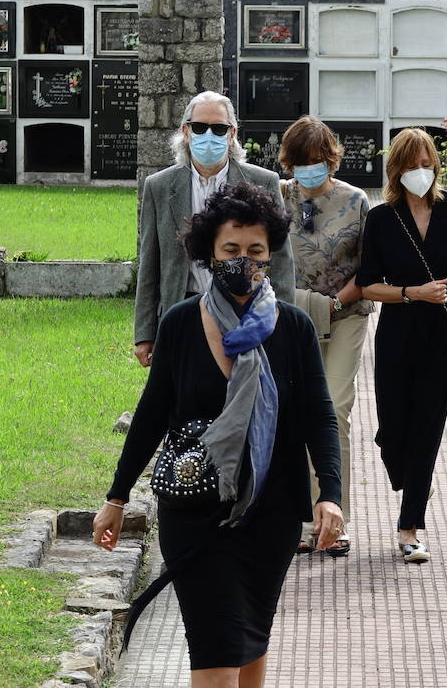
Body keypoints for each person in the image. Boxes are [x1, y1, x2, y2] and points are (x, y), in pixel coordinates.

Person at [93, 182, 343, 688]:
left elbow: (320, 415)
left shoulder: (292, 327)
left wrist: (330, 496)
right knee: (216, 650)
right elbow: (152, 414)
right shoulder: (181, 324)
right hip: (195, 512)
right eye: (231, 250)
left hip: (270, 516)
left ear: (271, 254)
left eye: (255, 251)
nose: (243, 261)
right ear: (209, 251)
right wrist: (117, 498)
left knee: (249, 642)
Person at [357, 127, 447, 563]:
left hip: (442, 330)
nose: (421, 172)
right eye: (411, 165)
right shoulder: (382, 217)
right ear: (395, 171)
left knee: (428, 430)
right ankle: (402, 464)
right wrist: (411, 292)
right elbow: (368, 285)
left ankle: (410, 528)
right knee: (393, 429)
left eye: (427, 163)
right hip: (398, 328)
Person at [133, 90, 295, 367]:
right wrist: (144, 333)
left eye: (219, 128)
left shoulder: (263, 182)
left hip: (246, 310)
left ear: (232, 134)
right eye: (199, 127)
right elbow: (150, 261)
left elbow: (280, 261)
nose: (209, 135)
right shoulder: (158, 186)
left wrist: (282, 323)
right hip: (182, 309)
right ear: (186, 131)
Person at [276, 115, 373, 557]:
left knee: (334, 409)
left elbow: (370, 268)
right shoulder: (276, 196)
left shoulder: (356, 201)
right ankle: (298, 516)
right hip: (292, 319)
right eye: (301, 162)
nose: (309, 169)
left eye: (318, 161)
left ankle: (336, 518)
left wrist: (334, 303)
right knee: (293, 411)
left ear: (331, 159)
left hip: (346, 313)